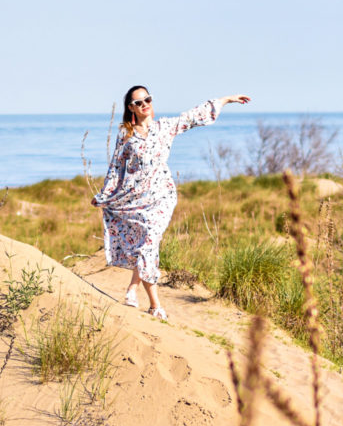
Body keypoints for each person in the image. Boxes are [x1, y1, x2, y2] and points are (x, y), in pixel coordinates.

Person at [92, 87, 251, 318]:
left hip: (162, 198)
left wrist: (225, 100)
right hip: (136, 199)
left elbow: (192, 116)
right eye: (138, 102)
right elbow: (116, 168)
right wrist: (104, 195)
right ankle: (132, 289)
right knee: (146, 244)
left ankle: (154, 305)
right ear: (131, 108)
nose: (144, 104)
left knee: (148, 242)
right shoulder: (125, 134)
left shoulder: (163, 127)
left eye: (147, 99)